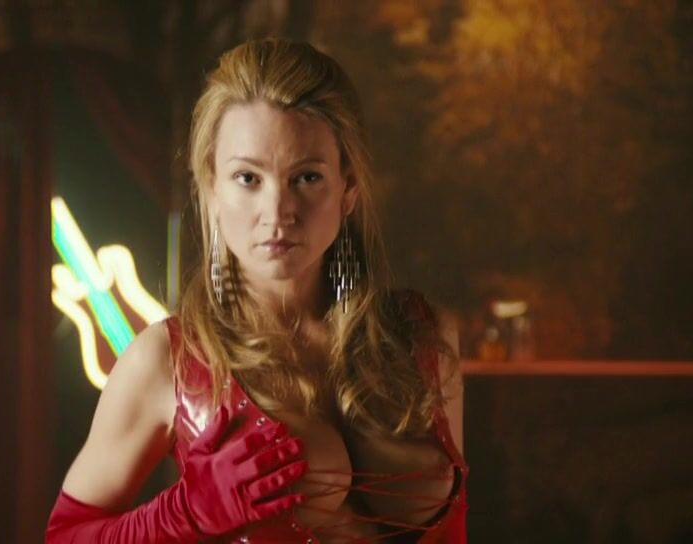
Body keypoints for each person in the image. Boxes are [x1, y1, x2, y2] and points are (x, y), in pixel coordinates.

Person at [46, 38, 468, 543]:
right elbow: (65, 535)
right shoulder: (167, 362)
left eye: (306, 177)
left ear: (349, 186)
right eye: (248, 177)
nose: (278, 211)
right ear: (211, 188)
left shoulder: (423, 336)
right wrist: (184, 513)